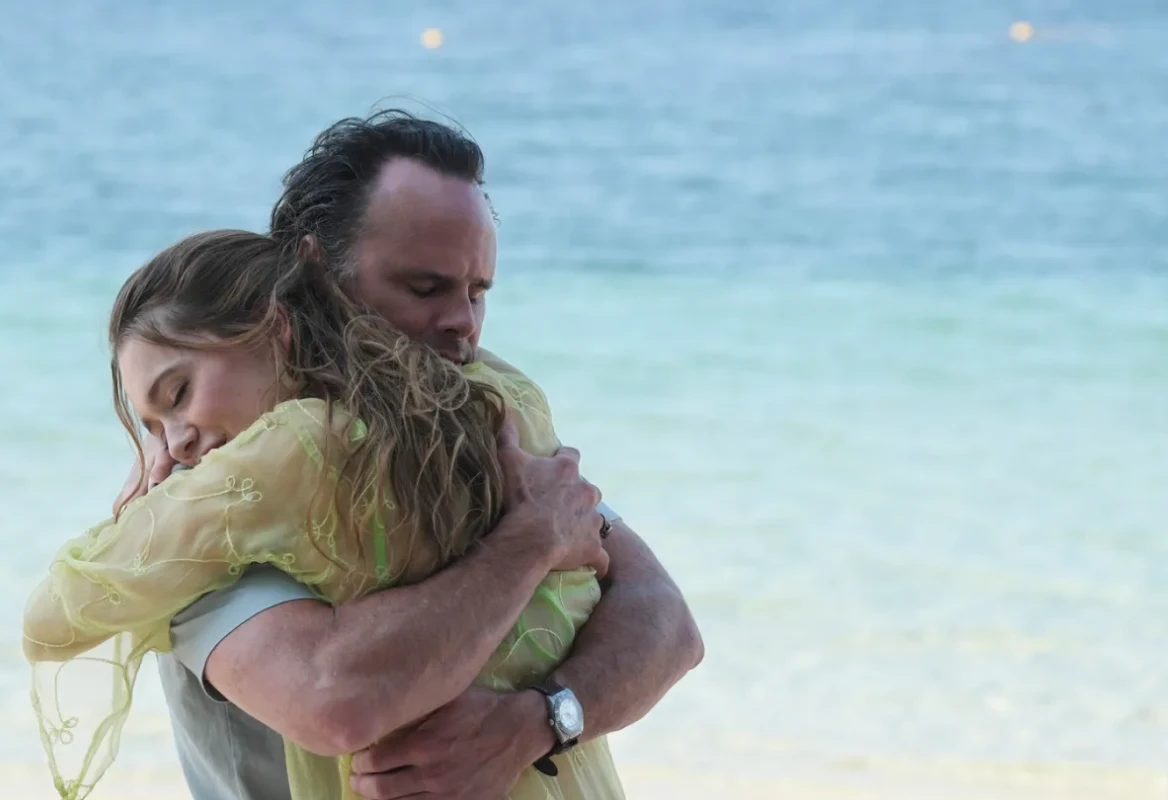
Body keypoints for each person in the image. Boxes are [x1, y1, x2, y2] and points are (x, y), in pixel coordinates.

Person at [136, 111, 702, 800]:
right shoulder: (209, 496)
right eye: (425, 288)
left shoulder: (475, 417)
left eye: (477, 293)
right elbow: (338, 701)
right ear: (316, 274)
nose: (464, 323)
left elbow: (667, 621)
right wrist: (532, 542)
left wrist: (537, 721)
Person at [23, 228, 627, 800]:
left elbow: (50, 619)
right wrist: (546, 706)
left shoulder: (274, 458)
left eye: (179, 393)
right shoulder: (494, 396)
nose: (175, 446)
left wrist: (140, 518)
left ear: (274, 326)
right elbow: (657, 610)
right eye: (153, 429)